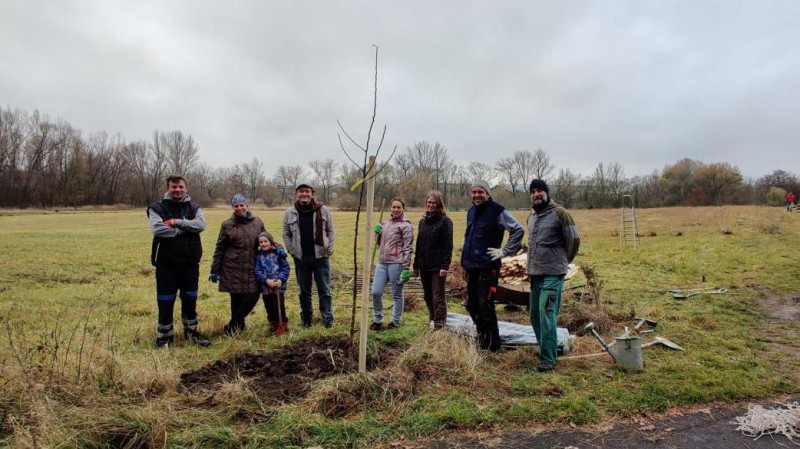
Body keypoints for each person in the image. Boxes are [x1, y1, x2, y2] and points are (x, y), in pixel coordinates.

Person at [146, 174, 210, 348]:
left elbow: (201, 225)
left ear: (186, 188)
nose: (177, 190)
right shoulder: (156, 208)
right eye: (174, 187)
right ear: (168, 187)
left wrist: (175, 222)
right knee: (165, 300)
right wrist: (185, 229)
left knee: (190, 299)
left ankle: (192, 333)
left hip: (190, 263)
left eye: (180, 187)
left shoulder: (195, 207)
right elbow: (158, 229)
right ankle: (164, 337)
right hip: (166, 264)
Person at [461, 180, 524, 351]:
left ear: (488, 193)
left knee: (485, 307)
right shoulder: (471, 212)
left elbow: (517, 230)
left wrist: (505, 251)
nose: (476, 195)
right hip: (471, 267)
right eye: (473, 192)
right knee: (472, 306)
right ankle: (483, 340)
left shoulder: (497, 211)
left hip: (487, 268)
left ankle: (492, 346)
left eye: (480, 192)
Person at [526, 179, 580, 372]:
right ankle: (547, 348)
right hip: (535, 273)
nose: (536, 194)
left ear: (547, 192)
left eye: (539, 190)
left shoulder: (561, 214)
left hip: (553, 273)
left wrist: (562, 262)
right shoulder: (531, 216)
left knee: (547, 314)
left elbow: (573, 240)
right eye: (532, 191)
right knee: (534, 316)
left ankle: (548, 358)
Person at [209, 194, 266, 336]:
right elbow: (220, 248)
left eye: (242, 205)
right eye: (236, 206)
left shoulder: (257, 222)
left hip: (251, 264)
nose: (239, 208)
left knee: (254, 293)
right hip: (231, 266)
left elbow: (266, 239)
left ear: (246, 205)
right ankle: (238, 329)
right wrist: (215, 269)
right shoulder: (227, 224)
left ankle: (232, 324)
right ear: (232, 207)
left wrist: (277, 248)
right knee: (236, 298)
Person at [282, 181, 336, 328]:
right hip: (301, 258)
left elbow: (331, 231)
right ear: (296, 194)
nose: (304, 194)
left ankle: (328, 320)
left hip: (320, 257)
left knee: (324, 290)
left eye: (307, 191)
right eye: (301, 191)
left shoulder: (323, 210)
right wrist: (292, 251)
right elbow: (286, 234)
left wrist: (329, 250)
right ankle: (306, 321)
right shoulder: (289, 212)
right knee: (304, 291)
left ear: (312, 194)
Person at [370, 197, 414, 330]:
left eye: (398, 207)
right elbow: (379, 244)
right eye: (393, 207)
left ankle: (395, 321)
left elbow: (408, 247)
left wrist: (406, 267)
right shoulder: (385, 223)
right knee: (376, 292)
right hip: (382, 263)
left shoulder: (406, 225)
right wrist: (377, 233)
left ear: (403, 209)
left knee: (396, 294)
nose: (395, 209)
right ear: (390, 208)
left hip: (397, 263)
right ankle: (378, 319)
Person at [413, 190, 453, 330]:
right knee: (428, 296)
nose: (430, 205)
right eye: (428, 202)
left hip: (438, 267)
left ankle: (440, 325)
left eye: (433, 203)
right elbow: (419, 244)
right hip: (424, 265)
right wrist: (416, 265)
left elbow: (448, 246)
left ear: (439, 204)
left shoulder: (445, 222)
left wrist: (445, 266)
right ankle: (432, 319)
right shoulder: (422, 222)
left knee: (438, 297)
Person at [254, 232, 291, 335]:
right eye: (261, 242)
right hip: (266, 287)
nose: (263, 244)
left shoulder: (278, 254)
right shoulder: (258, 256)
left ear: (271, 242)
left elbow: (285, 268)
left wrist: (280, 279)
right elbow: (257, 271)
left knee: (278, 305)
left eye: (266, 241)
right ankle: (273, 324)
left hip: (278, 286)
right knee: (269, 306)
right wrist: (266, 280)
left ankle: (282, 324)